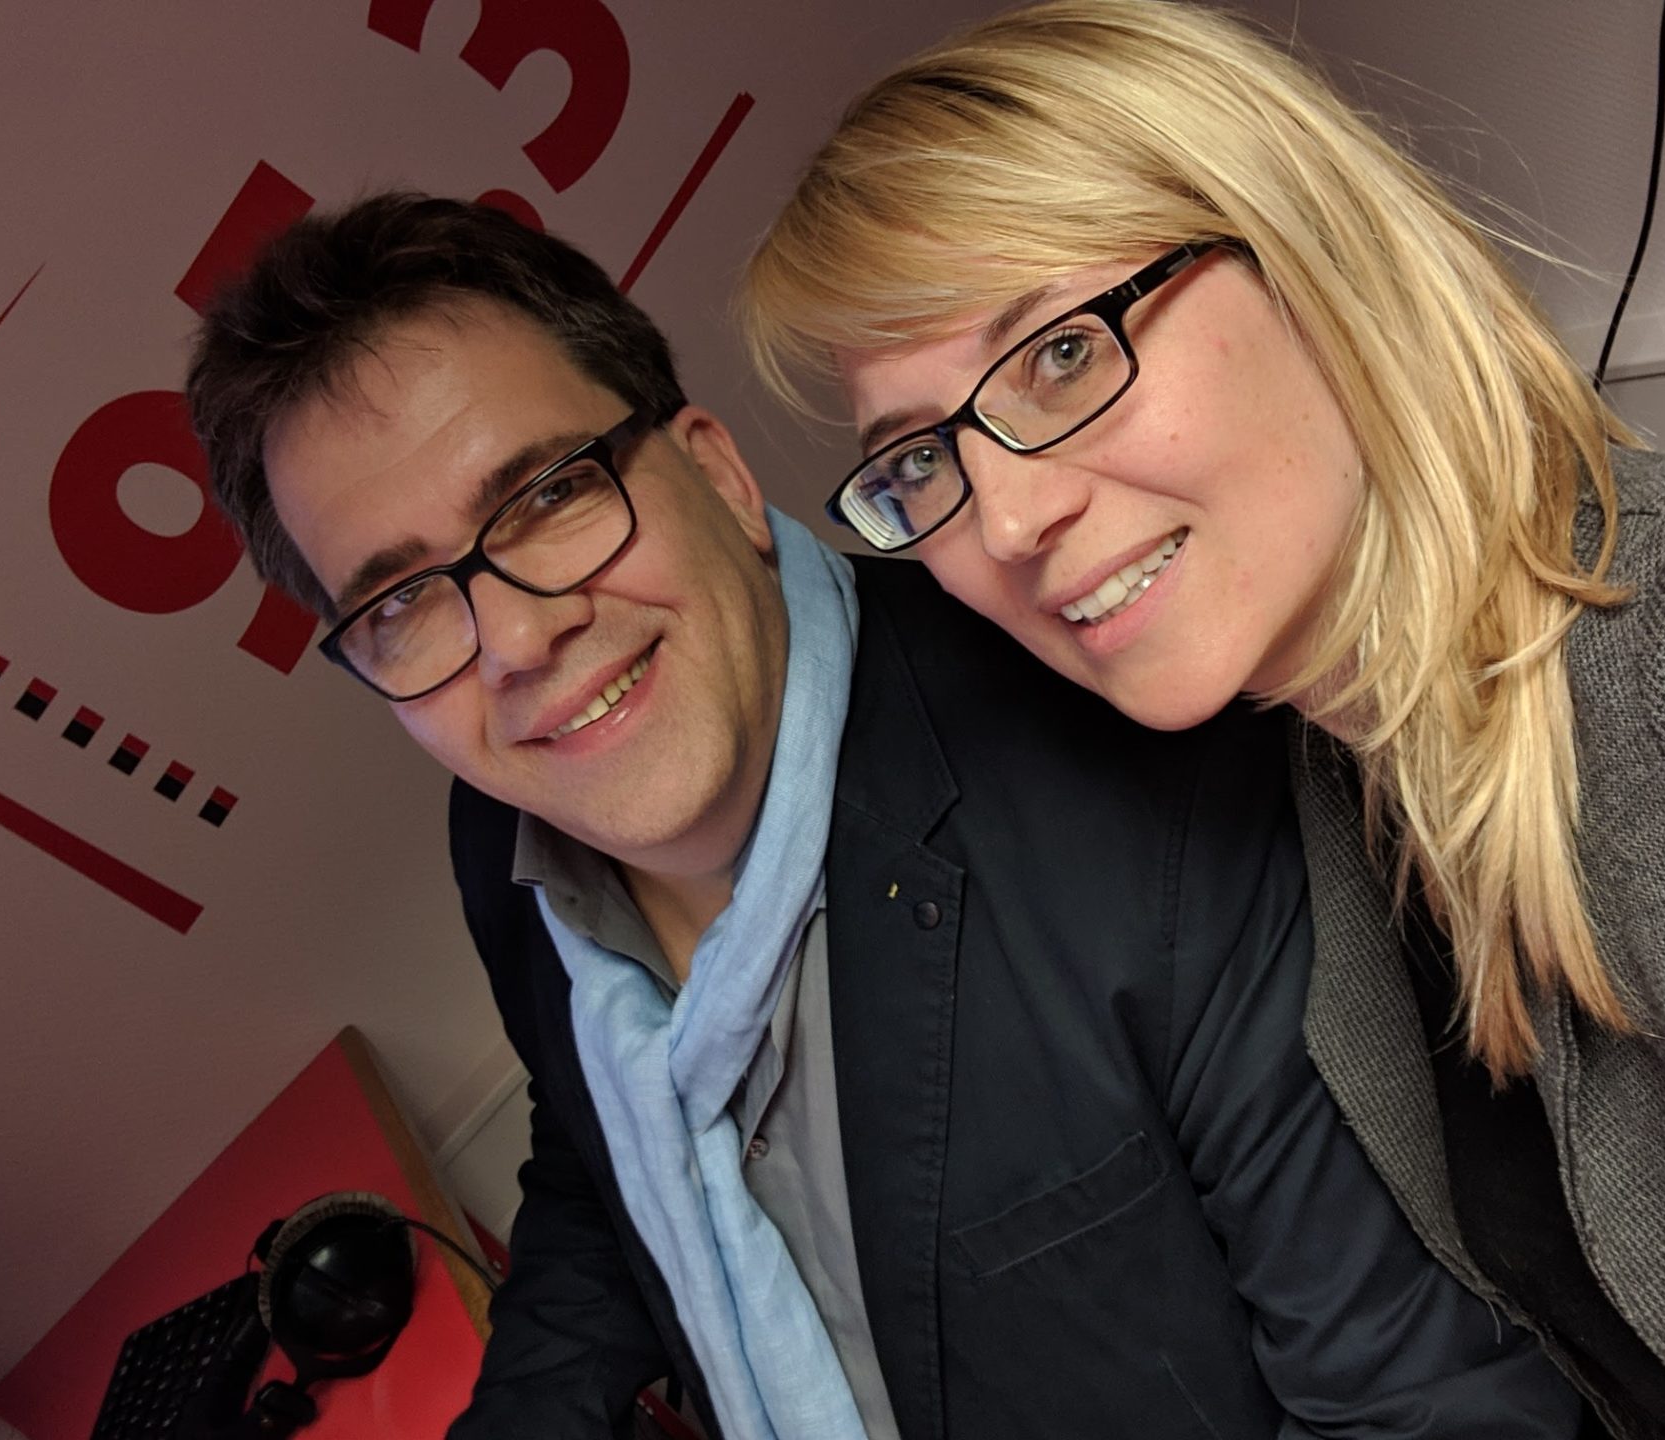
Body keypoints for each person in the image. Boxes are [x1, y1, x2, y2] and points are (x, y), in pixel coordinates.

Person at [737, 3, 1665, 1438]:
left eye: (1062, 355)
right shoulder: (1334, 787)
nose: (1009, 519)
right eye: (921, 461)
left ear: (1304, 253)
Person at [184, 192, 1585, 1440]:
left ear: (718, 475)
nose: (516, 641)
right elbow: (598, 1156)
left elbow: (1441, 1409)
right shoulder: (503, 840)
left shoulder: (1149, 792)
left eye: (553, 495)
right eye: (403, 602)